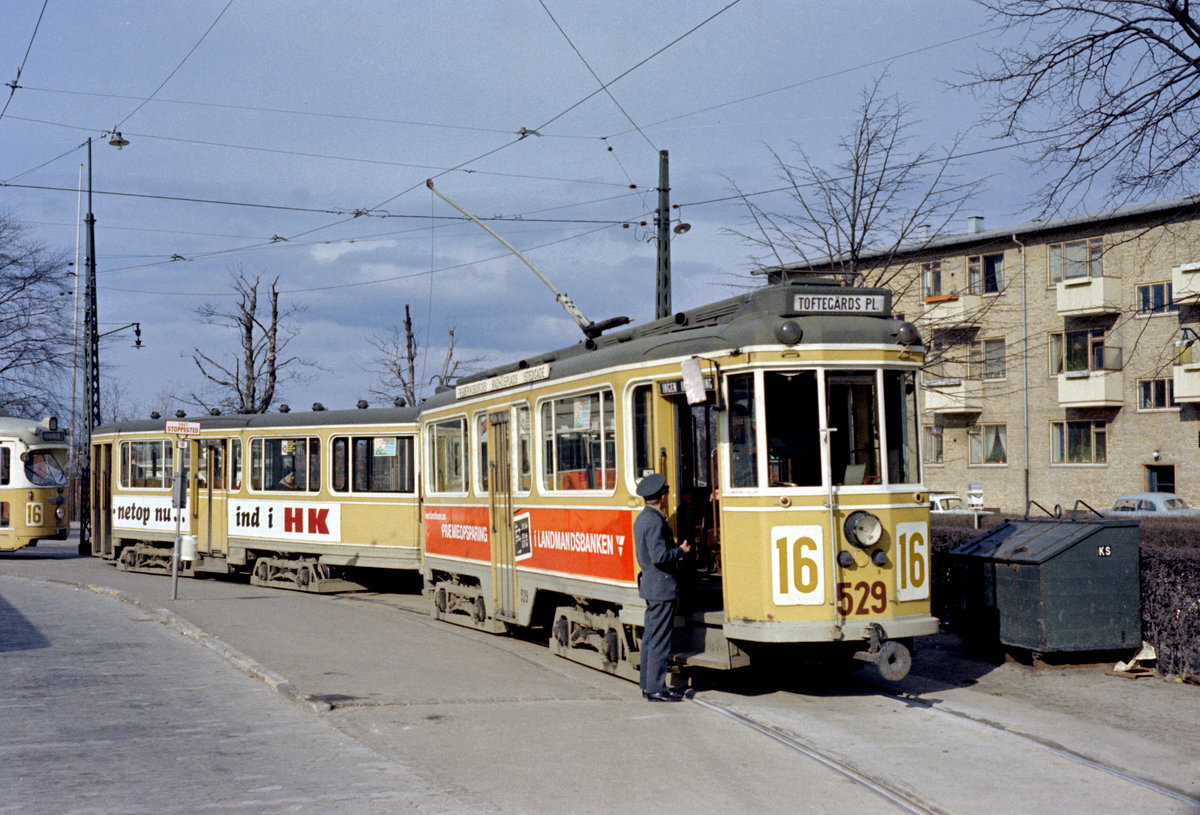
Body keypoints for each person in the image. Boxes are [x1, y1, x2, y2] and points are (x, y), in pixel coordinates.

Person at [633, 473, 691, 702]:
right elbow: (659, 556)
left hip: (650, 585)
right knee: (659, 640)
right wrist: (680, 552)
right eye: (666, 493)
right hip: (661, 587)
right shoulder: (655, 521)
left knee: (650, 638)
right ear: (661, 497)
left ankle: (648, 685)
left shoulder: (642, 518)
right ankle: (656, 688)